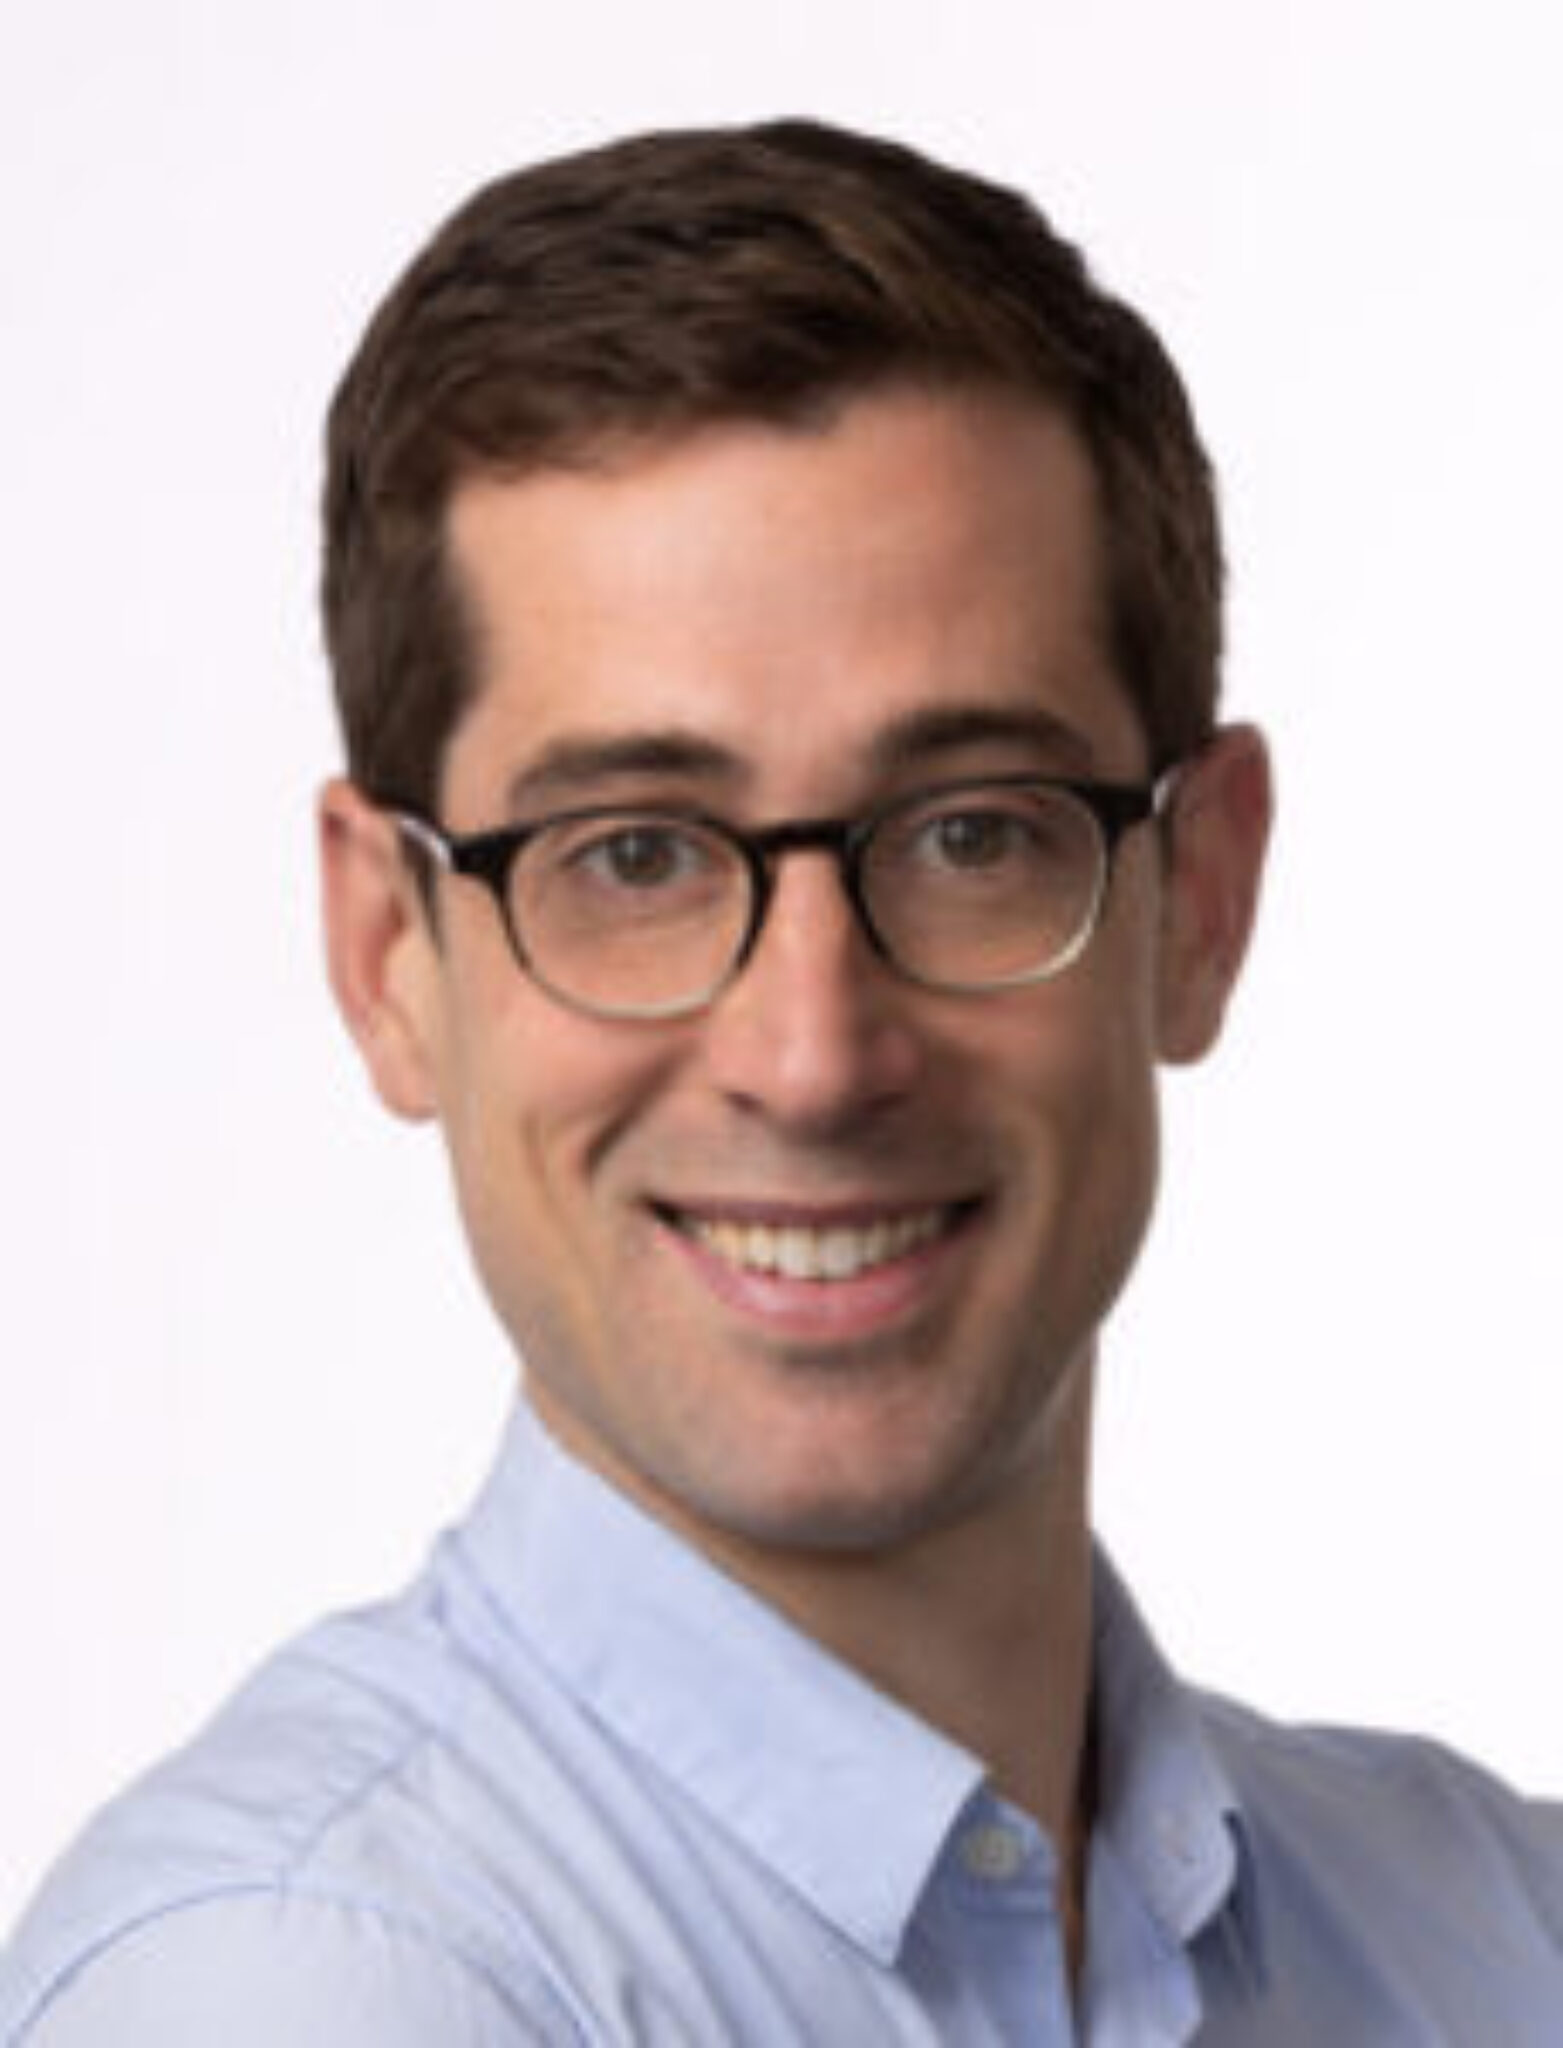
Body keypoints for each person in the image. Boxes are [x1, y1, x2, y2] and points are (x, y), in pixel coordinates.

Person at [2, 118, 1558, 2047]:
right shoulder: (300, 1990)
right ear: (389, 950)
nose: (814, 1057)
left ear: (1202, 897)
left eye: (972, 833)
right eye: (634, 855)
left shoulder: (1500, 1943)